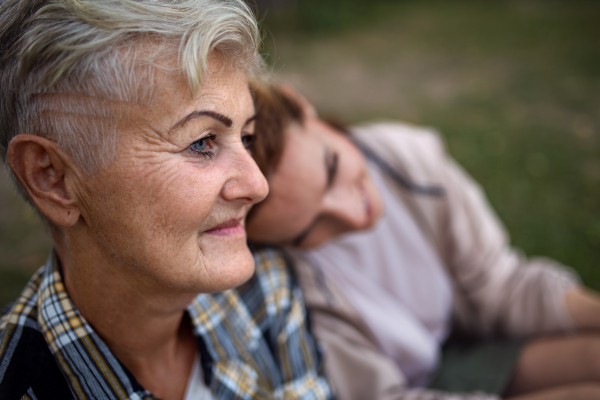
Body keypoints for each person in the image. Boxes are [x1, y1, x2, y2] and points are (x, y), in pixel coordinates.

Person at [0, 2, 332, 399]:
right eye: (202, 143)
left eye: (247, 137)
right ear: (52, 177)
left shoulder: (265, 296)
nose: (257, 185)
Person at [246, 81, 600, 400]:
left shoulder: (407, 159)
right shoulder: (287, 285)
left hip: (471, 350)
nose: (355, 216)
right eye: (308, 231)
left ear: (302, 105)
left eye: (333, 168)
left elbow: (501, 287)